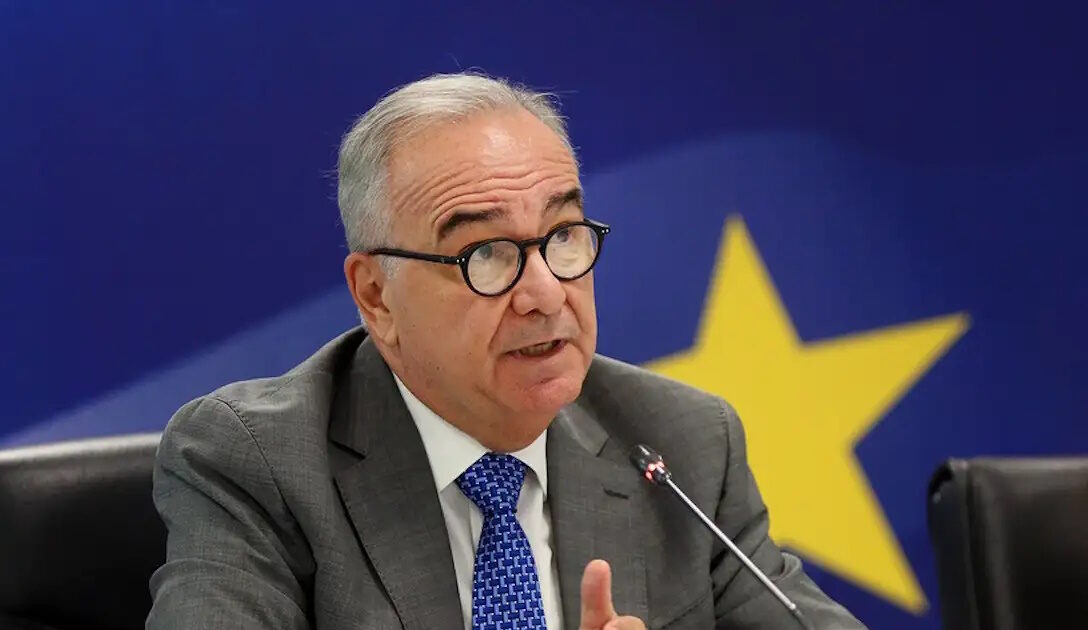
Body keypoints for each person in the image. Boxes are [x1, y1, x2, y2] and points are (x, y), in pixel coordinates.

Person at [147, 72, 866, 630]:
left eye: (563, 236)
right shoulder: (260, 464)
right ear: (376, 296)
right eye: (486, 254)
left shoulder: (681, 444)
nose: (546, 293)